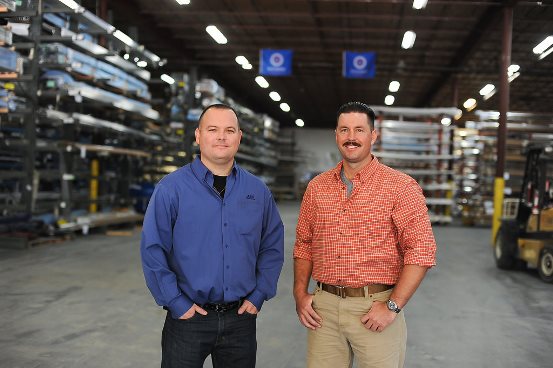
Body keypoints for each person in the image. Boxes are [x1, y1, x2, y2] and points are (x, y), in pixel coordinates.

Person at [293, 101, 437, 368]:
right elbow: (304, 243)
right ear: (336, 135)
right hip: (324, 309)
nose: (351, 137)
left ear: (373, 136)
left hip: (375, 308)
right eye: (344, 130)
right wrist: (300, 294)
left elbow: (421, 251)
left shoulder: (401, 187)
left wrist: (393, 306)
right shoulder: (317, 187)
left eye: (359, 130)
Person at [141, 103, 285, 368]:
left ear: (239, 137)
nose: (221, 137)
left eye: (229, 130)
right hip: (188, 319)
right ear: (198, 136)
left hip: (240, 320)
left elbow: (272, 246)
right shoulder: (171, 189)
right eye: (213, 129)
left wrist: (260, 293)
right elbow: (153, 249)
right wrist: (175, 301)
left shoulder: (257, 191)